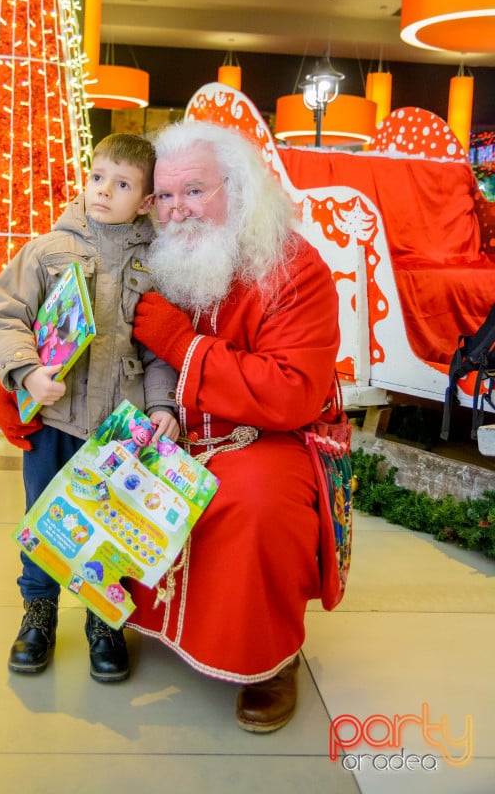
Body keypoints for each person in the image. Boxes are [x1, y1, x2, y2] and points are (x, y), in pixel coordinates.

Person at [129, 119, 341, 733]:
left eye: (194, 191)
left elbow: (292, 392)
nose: (177, 210)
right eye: (164, 196)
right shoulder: (146, 258)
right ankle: (113, 619)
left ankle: (267, 659)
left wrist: (180, 342)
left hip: (263, 438)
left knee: (254, 502)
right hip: (163, 423)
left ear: (238, 190)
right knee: (93, 471)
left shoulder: (294, 268)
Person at [0, 133, 179, 682]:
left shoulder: (156, 265)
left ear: (144, 200)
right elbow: (3, 316)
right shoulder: (48, 250)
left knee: (108, 524)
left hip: (120, 431)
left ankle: (102, 618)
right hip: (56, 421)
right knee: (47, 520)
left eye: (121, 184)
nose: (102, 191)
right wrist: (27, 371)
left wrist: (162, 405)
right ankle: (38, 611)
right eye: (97, 178)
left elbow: (159, 347)